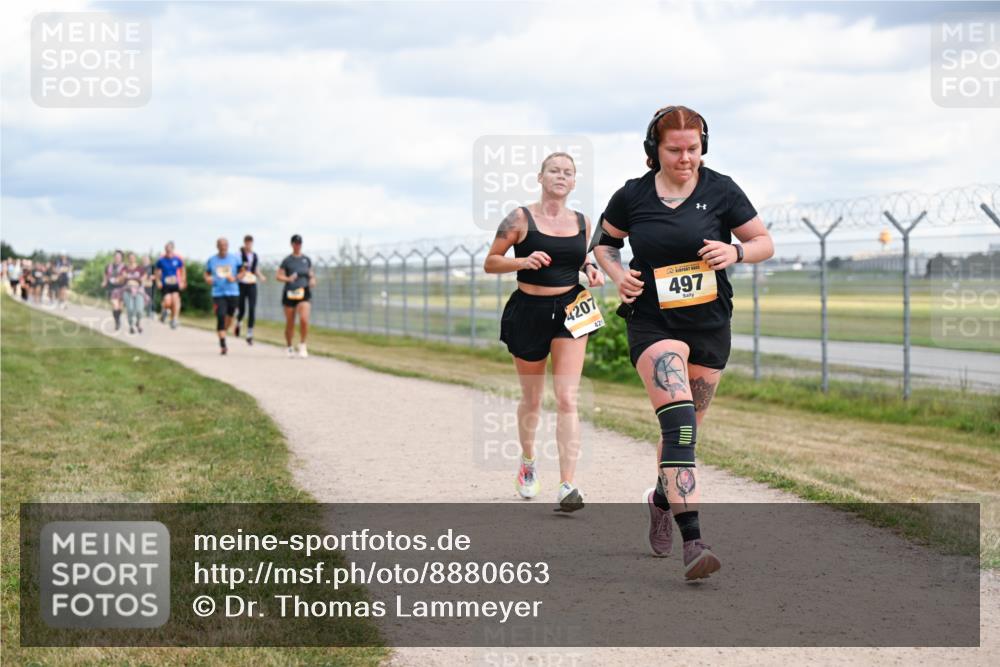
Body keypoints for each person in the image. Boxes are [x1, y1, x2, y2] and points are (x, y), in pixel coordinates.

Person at [593, 105, 773, 580]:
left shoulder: (721, 189)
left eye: (693, 148)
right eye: (675, 150)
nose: (686, 158)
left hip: (710, 324)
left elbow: (763, 242)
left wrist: (735, 250)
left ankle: (660, 497)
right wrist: (618, 275)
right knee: (680, 429)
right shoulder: (632, 196)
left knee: (689, 426)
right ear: (655, 150)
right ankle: (694, 541)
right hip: (653, 323)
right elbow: (604, 243)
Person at [484, 152, 605, 513]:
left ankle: (568, 484)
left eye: (568, 172)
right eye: (554, 170)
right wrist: (522, 260)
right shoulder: (519, 218)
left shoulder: (583, 221)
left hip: (571, 310)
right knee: (533, 399)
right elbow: (491, 261)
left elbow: (583, 256)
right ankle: (528, 460)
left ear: (574, 181)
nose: (561, 176)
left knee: (567, 397)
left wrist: (592, 269)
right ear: (540, 177)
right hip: (529, 311)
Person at [276, 234, 315, 358]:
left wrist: (313, 280)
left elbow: (311, 274)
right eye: (295, 243)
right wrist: (288, 278)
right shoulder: (287, 261)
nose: (297, 245)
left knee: (304, 319)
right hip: (290, 293)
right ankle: (289, 345)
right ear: (292, 244)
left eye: (299, 243)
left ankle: (303, 344)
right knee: (290, 322)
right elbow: (278, 276)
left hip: (304, 292)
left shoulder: (306, 260)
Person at [204, 238, 245, 355]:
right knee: (221, 316)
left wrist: (235, 278)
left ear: (228, 246)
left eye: (225, 245)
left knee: (229, 317)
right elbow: (206, 274)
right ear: (217, 246)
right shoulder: (212, 260)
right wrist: (208, 279)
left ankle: (223, 332)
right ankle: (223, 344)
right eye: (221, 245)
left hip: (233, 292)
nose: (223, 247)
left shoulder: (234, 259)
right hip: (218, 293)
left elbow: (242, 272)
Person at [234, 234, 265, 345]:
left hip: (252, 283)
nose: (248, 244)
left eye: (250, 242)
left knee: (252, 308)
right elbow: (236, 268)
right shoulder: (238, 255)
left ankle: (249, 333)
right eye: (247, 242)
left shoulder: (255, 255)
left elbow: (255, 269)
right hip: (242, 284)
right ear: (244, 243)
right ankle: (238, 322)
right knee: (242, 309)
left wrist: (261, 276)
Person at [155, 242, 186, 329]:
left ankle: (174, 319)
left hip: (175, 283)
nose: (168, 250)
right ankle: (164, 310)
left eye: (170, 249)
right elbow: (157, 271)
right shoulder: (161, 260)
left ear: (173, 249)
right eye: (166, 249)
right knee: (168, 302)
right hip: (165, 284)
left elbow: (183, 270)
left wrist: (182, 281)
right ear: (165, 249)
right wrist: (158, 281)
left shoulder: (177, 259)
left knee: (176, 299)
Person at [120, 253, 147, 334]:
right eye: (130, 258)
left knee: (139, 310)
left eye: (133, 257)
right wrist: (124, 277)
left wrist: (133, 280)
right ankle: (131, 326)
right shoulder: (124, 269)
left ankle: (138, 323)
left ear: (135, 258)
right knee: (130, 309)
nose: (131, 259)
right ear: (128, 259)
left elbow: (143, 279)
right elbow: (121, 279)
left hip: (139, 291)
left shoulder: (140, 269)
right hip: (127, 291)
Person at [101, 251, 126, 329]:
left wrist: (119, 279)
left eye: (119, 257)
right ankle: (117, 321)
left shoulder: (124, 266)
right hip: (111, 287)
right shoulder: (109, 266)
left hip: (121, 288)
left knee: (120, 306)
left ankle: (118, 318)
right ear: (114, 257)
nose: (117, 258)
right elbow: (105, 274)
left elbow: (125, 276)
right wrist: (104, 281)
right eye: (116, 256)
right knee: (115, 305)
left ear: (121, 258)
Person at [142, 255, 155, 319]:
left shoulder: (152, 267)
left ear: (149, 260)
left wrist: (150, 278)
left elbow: (154, 276)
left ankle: (150, 312)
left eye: (146, 259)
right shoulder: (141, 267)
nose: (144, 260)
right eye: (144, 259)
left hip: (149, 286)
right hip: (142, 285)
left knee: (149, 298)